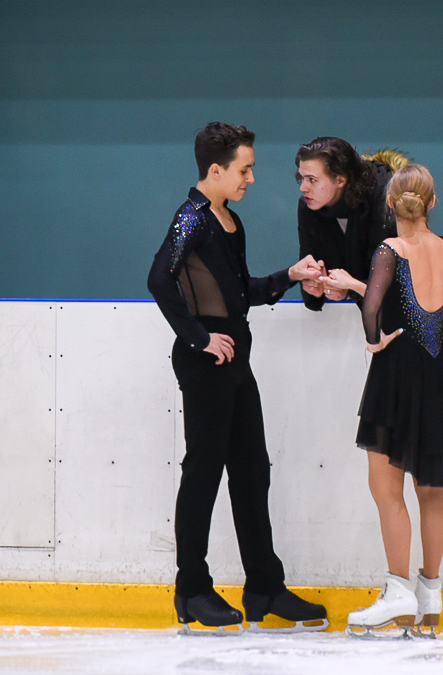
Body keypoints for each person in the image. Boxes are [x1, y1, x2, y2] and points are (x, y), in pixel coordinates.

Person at [147, 122, 328, 633]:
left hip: (235, 361)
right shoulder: (191, 219)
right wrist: (197, 337)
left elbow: (239, 291)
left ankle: (264, 587)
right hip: (207, 364)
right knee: (203, 471)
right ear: (216, 170)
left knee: (252, 469)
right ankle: (192, 589)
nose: (251, 178)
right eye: (244, 169)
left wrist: (288, 278)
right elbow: (159, 277)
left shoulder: (229, 221)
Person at [342, 164, 443, 636]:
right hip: (440, 370)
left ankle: (397, 590)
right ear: (432, 203)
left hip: (398, 373)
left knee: (386, 487)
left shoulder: (388, 250)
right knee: (431, 488)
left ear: (390, 204)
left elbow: (374, 306)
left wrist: (373, 339)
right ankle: (430, 595)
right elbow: (438, 297)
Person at [295, 137, 408, 308]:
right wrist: (316, 288)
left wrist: (350, 290)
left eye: (312, 179)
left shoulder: (384, 195)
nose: (303, 187)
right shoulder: (308, 206)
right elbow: (309, 260)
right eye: (301, 178)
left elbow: (392, 278)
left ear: (340, 180)